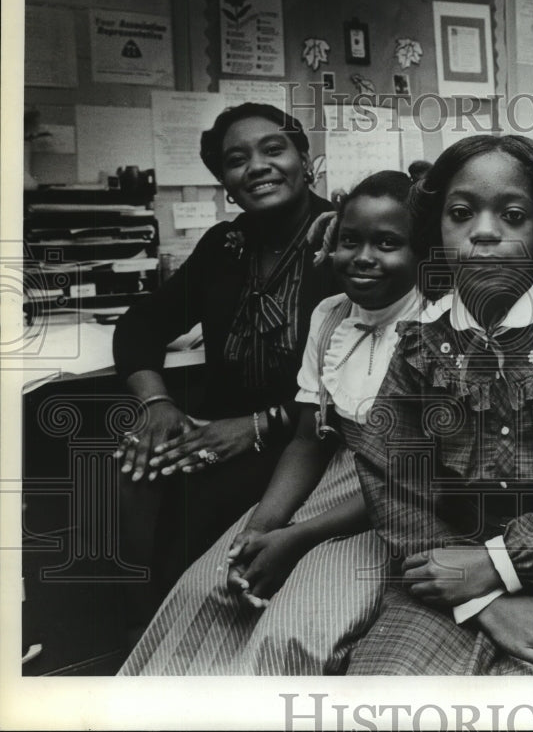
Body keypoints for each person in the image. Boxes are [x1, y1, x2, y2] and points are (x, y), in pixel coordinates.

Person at [347, 135, 533, 675]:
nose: (485, 232)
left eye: (512, 215)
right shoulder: (419, 349)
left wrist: (502, 566)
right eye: (461, 213)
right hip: (441, 580)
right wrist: (483, 599)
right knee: (384, 692)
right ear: (436, 231)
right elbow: (394, 487)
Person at [118, 170, 420, 675]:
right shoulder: (330, 315)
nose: (364, 257)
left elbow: (408, 477)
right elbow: (308, 438)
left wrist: (296, 538)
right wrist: (260, 530)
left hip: (392, 503)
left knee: (293, 628)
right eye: (350, 241)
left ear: (423, 251)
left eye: (388, 243)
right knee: (209, 585)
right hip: (331, 477)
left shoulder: (436, 327)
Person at [112, 103, 337, 627]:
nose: (256, 166)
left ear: (306, 160)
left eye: (274, 149)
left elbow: (371, 377)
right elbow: (141, 326)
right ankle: (144, 651)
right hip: (217, 436)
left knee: (194, 536)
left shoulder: (344, 239)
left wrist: (258, 426)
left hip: (312, 443)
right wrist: (157, 404)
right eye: (237, 160)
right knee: (127, 478)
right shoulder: (225, 246)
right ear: (226, 185)